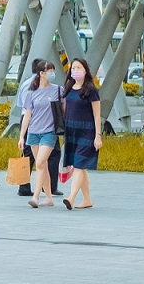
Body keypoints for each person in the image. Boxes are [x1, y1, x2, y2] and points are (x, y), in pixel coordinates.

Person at [17, 58, 62, 209]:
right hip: (33, 132)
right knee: (42, 166)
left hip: (49, 132)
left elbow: (64, 111)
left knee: (41, 163)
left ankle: (36, 197)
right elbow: (27, 115)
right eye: (50, 71)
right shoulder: (31, 92)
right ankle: (48, 198)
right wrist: (22, 136)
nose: (52, 74)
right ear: (42, 73)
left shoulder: (57, 90)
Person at [61, 56, 103, 211]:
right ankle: (87, 199)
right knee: (80, 166)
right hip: (71, 132)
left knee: (78, 166)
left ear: (85, 71)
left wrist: (98, 136)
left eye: (79, 68)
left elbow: (97, 115)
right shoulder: (68, 88)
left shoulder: (91, 90)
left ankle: (71, 198)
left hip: (87, 132)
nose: (76, 71)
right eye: (73, 68)